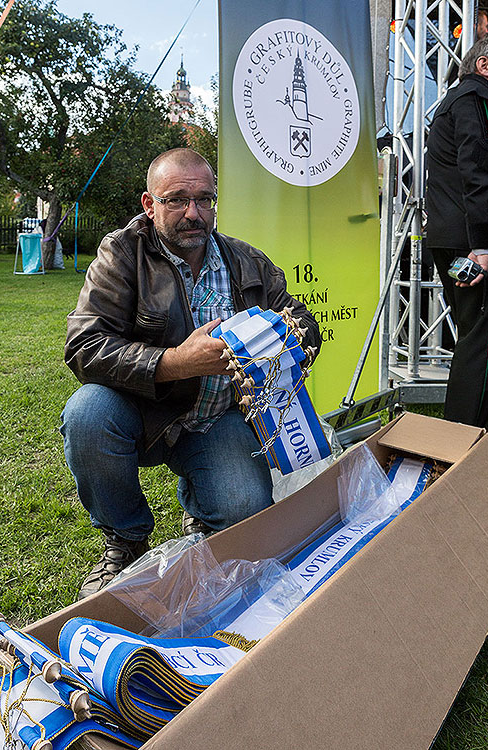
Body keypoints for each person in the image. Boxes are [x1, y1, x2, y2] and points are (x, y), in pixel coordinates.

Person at [61, 148, 321, 599]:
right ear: (149, 204)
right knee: (86, 414)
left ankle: (202, 507)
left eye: (204, 199)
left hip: (219, 419)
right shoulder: (122, 253)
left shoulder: (246, 261)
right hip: (146, 411)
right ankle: (125, 541)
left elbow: (303, 324)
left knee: (242, 513)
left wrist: (278, 346)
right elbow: (84, 346)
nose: (193, 213)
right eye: (177, 200)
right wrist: (177, 362)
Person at [426, 38, 488, 431]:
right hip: (471, 243)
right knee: (481, 341)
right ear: (483, 65)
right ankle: (462, 442)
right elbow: (479, 173)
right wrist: (484, 246)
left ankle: (479, 438)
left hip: (455, 237)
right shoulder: (475, 97)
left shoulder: (454, 101)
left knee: (478, 336)